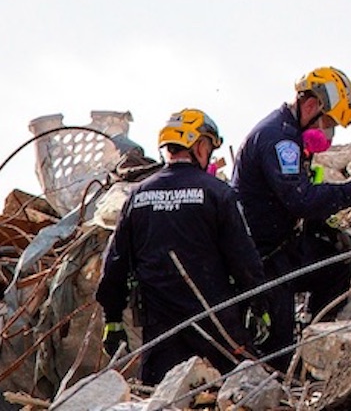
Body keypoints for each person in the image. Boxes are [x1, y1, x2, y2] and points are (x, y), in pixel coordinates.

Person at [98, 109, 266, 383]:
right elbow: (244, 259)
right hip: (216, 327)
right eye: (209, 146)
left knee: (161, 398)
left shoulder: (138, 196)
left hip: (162, 333)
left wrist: (112, 318)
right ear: (199, 145)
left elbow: (115, 263)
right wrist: (259, 305)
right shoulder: (217, 193)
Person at [232, 68, 351, 360]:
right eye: (328, 123)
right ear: (311, 106)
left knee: (334, 260)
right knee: (278, 351)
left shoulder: (292, 135)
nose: (329, 132)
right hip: (261, 259)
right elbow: (300, 199)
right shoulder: (279, 139)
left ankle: (316, 339)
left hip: (284, 246)